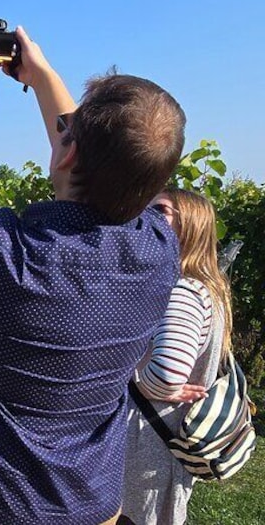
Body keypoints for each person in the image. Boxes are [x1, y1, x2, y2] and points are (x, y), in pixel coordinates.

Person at [0, 25, 186, 524]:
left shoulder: (4, 256)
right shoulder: (160, 251)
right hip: (92, 505)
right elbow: (107, 163)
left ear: (66, 152)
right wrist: (42, 78)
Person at [120, 188, 232, 525]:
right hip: (166, 440)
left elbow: (167, 376)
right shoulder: (209, 288)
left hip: (146, 445)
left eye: (161, 210)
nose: (145, 217)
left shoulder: (183, 290)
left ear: (191, 225)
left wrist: (132, 373)